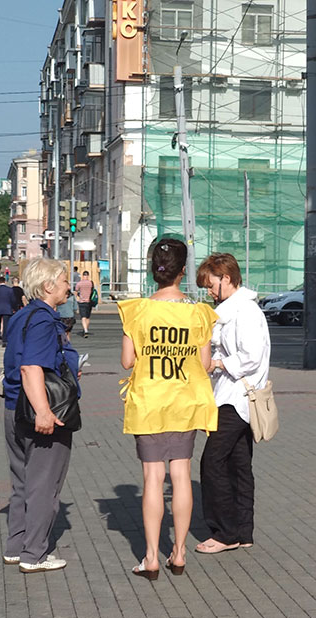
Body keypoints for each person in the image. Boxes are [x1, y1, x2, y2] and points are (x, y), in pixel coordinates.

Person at [118, 239, 218, 579]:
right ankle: (179, 551)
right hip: (185, 402)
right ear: (183, 271)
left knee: (152, 478)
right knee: (181, 474)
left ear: (153, 272)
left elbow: (127, 361)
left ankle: (151, 557)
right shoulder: (199, 313)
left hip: (148, 401)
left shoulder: (137, 310)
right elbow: (205, 364)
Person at [1, 258, 80, 573]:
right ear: (48, 286)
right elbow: (31, 366)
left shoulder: (22, 315)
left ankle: (16, 546)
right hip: (41, 411)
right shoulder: (46, 320)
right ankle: (34, 554)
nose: (68, 287)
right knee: (44, 485)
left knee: (22, 480)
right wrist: (44, 412)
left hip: (13, 407)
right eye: (63, 282)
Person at [194, 253, 271, 554]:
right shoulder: (233, 310)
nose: (209, 292)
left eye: (211, 285)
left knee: (212, 463)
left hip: (236, 398)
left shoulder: (246, 311)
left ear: (226, 278)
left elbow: (251, 355)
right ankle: (242, 530)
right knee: (238, 465)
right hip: (234, 396)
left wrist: (217, 363)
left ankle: (225, 533)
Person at [0, 275, 17, 346]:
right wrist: (14, 308)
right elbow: (13, 300)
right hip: (7, 309)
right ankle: (5, 340)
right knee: (6, 325)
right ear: (5, 282)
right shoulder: (9, 290)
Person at [74, 270, 94, 338]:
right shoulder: (90, 283)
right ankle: (86, 329)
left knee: (83, 317)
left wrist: (76, 299)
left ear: (83, 276)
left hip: (82, 301)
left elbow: (76, 292)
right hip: (89, 302)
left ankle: (85, 330)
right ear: (88, 276)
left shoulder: (79, 283)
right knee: (88, 317)